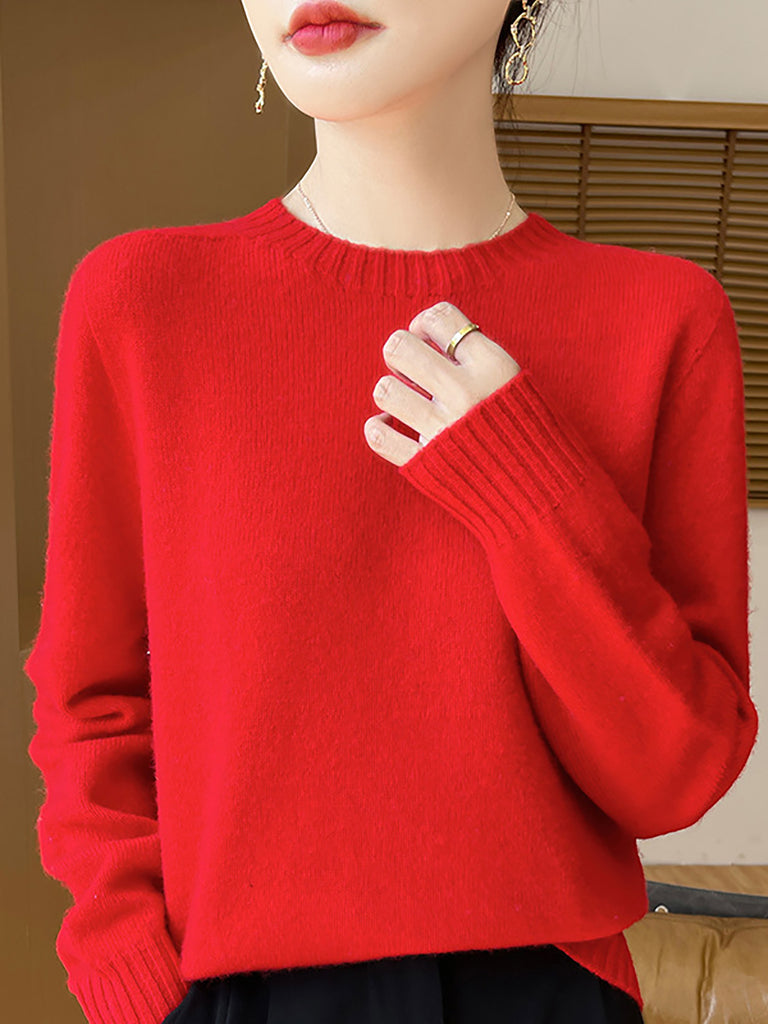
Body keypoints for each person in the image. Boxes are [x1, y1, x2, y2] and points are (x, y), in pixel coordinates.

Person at [24, 1, 758, 1022]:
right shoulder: (143, 301)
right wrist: (130, 973)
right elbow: (93, 699)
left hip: (543, 987)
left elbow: (674, 774)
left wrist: (527, 486)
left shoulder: (665, 319)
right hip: (235, 990)